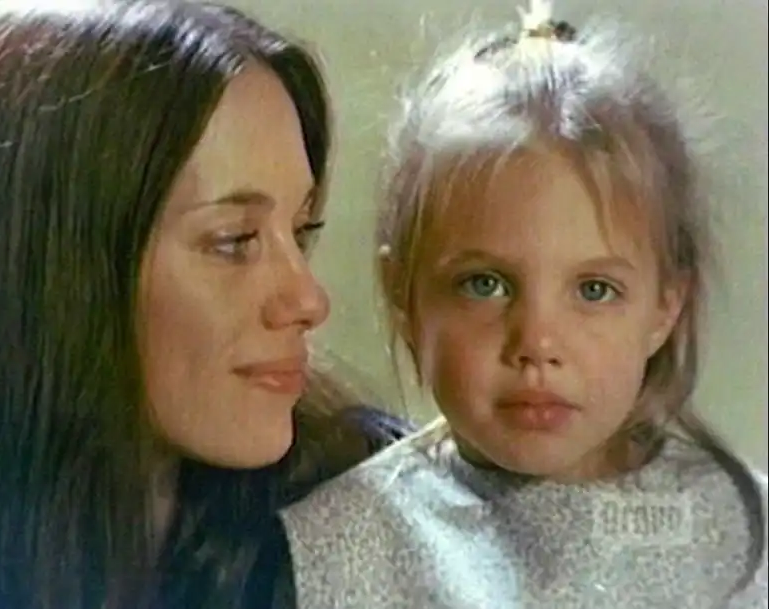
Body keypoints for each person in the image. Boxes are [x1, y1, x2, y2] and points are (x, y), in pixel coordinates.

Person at [0, 1, 412, 608]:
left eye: (301, 231)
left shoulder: (376, 516)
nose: (308, 300)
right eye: (234, 240)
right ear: (58, 269)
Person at [279, 1, 768, 607]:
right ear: (402, 291)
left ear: (666, 306)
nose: (536, 343)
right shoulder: (339, 546)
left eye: (594, 290)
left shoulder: (741, 535)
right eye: (485, 284)